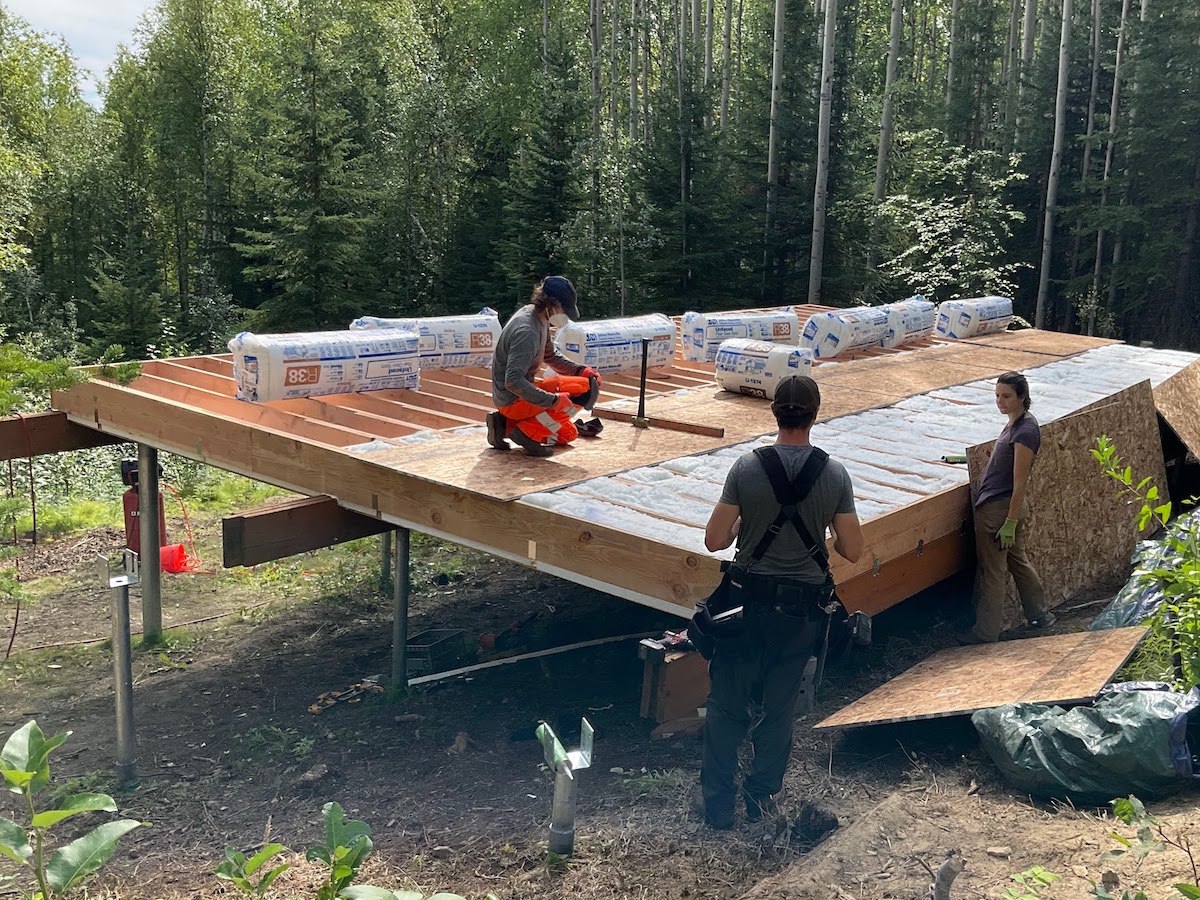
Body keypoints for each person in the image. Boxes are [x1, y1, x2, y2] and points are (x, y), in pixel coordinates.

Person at [698, 374, 864, 830]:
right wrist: (823, 530)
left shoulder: (746, 468)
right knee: (779, 712)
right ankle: (759, 801)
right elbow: (853, 549)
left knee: (726, 708)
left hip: (743, 611)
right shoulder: (833, 474)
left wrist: (744, 528)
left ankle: (717, 808)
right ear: (815, 414)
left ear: (774, 411)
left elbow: (715, 540)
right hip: (800, 617)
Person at [959, 371, 1055, 644]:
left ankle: (986, 632)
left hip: (999, 510)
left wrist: (1010, 522)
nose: (1000, 401)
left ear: (1022, 397)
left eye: (1007, 396)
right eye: (997, 396)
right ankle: (1040, 616)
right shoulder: (1016, 423)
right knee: (1018, 563)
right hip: (1004, 508)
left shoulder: (1025, 431)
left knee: (993, 572)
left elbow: (1019, 481)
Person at [486, 276, 601, 457]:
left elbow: (550, 355)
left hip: (521, 394)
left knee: (568, 434)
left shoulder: (539, 317)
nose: (566, 316)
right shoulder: (526, 331)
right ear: (552, 303)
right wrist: (552, 401)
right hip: (513, 399)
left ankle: (505, 425)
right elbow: (513, 381)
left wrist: (581, 370)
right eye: (564, 309)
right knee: (583, 392)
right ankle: (526, 435)